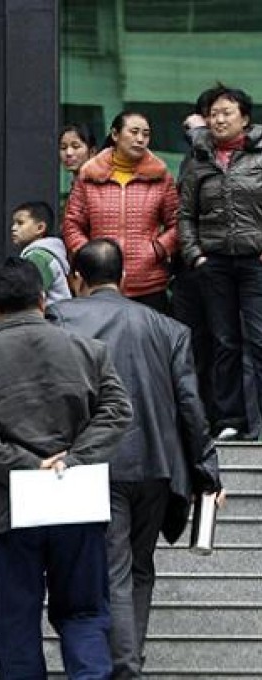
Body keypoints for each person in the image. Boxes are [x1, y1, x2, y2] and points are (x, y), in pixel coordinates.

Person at [46, 238, 225, 679]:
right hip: (159, 467)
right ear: (124, 278)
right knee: (139, 567)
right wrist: (209, 472)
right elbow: (190, 405)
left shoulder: (60, 318)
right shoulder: (168, 328)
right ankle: (130, 659)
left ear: (77, 280)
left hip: (93, 462)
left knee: (114, 570)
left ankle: (125, 669)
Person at [0, 256, 132, 679]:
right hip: (76, 500)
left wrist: (26, 467)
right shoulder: (89, 350)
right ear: (42, 298)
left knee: (17, 624)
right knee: (84, 612)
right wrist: (73, 459)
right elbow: (118, 412)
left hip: (8, 506)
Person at [178, 84, 262, 441]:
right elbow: (185, 215)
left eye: (227, 112)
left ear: (244, 118)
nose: (220, 119)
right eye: (213, 113)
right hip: (213, 263)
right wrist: (195, 255)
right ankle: (230, 420)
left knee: (258, 340)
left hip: (255, 260)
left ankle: (259, 421)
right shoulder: (199, 160)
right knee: (224, 341)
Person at [63, 111, 179, 313]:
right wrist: (91, 254)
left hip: (148, 282)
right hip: (99, 282)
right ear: (115, 135)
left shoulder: (161, 176)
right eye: (134, 132)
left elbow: (177, 223)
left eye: (146, 134)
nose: (140, 139)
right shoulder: (89, 175)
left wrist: (156, 249)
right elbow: (72, 224)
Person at [10, 200, 71, 304]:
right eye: (14, 223)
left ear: (40, 228)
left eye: (20, 223)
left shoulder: (39, 257)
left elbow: (31, 295)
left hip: (52, 318)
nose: (13, 228)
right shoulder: (43, 253)